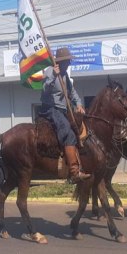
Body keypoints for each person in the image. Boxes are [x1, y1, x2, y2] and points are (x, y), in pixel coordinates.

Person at [39, 48, 90, 183]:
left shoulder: (65, 75)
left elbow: (72, 93)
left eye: (69, 61)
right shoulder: (51, 71)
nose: (69, 63)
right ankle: (74, 172)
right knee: (68, 133)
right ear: (61, 62)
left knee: (79, 128)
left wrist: (79, 104)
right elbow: (44, 91)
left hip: (62, 110)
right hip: (50, 108)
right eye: (67, 61)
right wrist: (54, 76)